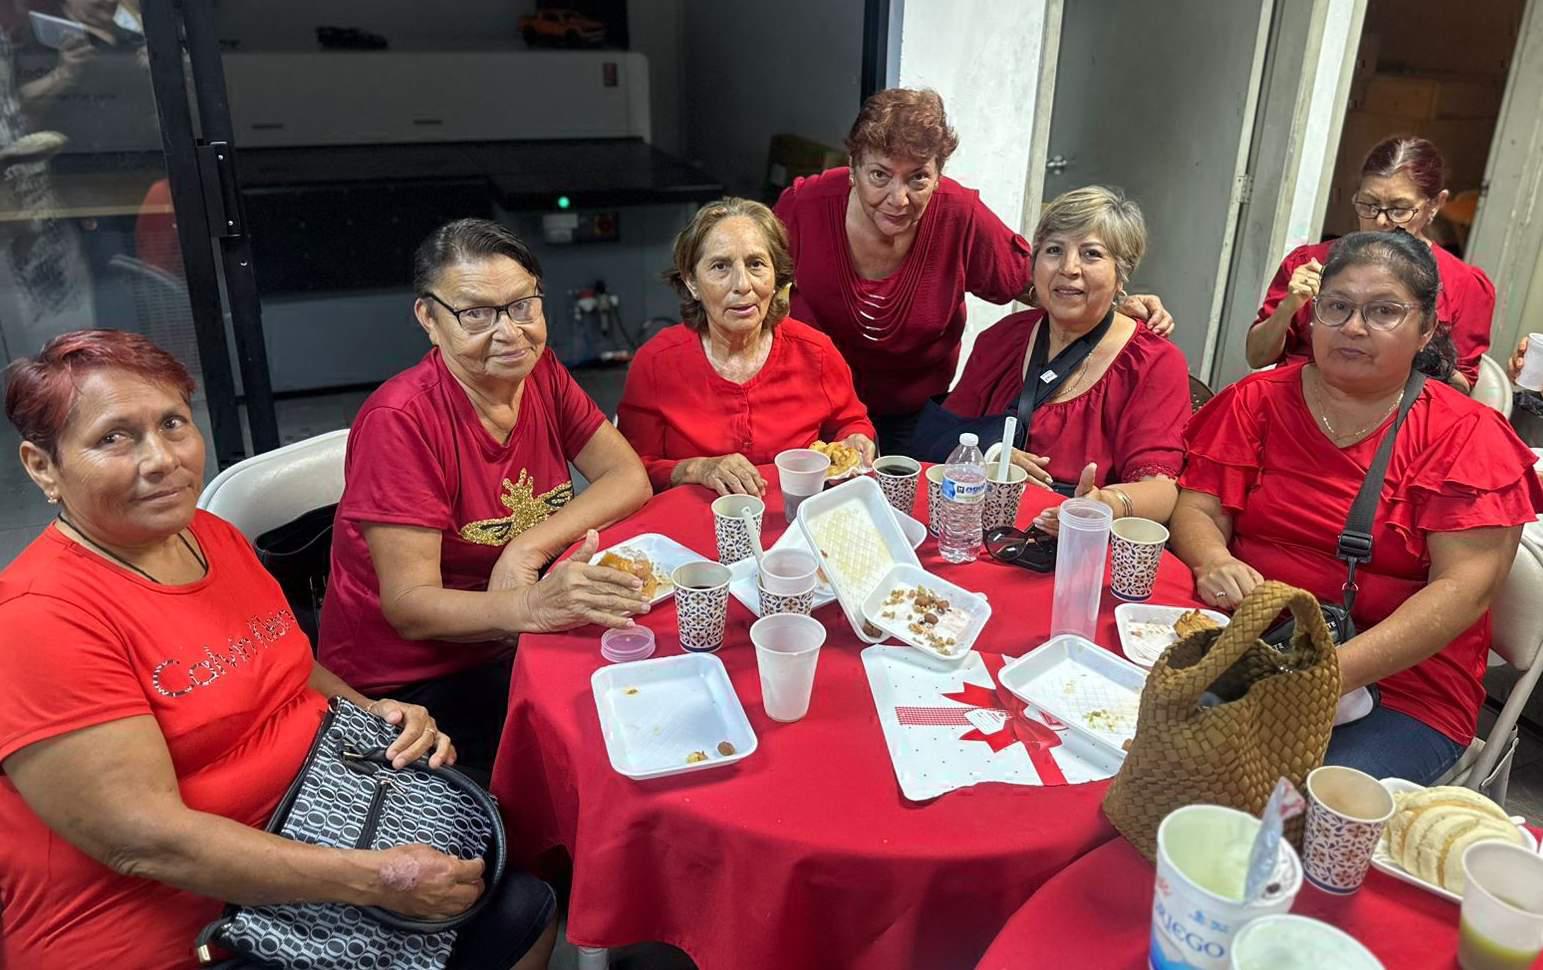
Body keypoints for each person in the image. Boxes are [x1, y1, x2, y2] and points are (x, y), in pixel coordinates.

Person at [0, 330, 557, 970]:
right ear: (43, 465)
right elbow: (145, 842)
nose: (161, 459)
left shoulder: (207, 536)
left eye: (173, 423)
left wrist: (377, 712)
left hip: (323, 817)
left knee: (523, 898)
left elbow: (288, 664)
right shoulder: (39, 619)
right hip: (180, 919)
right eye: (113, 438)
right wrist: (377, 878)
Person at [1174, 231, 1543, 783]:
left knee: (1278, 803)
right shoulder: (1256, 401)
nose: (1352, 326)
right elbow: (1198, 509)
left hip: (1402, 688)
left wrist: (1323, 676)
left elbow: (1463, 592)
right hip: (1253, 643)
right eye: (1337, 306)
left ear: (1425, 330)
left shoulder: (1468, 437)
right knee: (1153, 743)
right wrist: (1211, 559)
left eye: (1383, 311)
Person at [318, 218, 652, 773]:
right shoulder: (401, 422)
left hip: (510, 638)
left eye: (523, 305)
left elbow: (627, 476)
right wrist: (529, 608)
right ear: (429, 319)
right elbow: (409, 607)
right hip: (413, 685)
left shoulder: (539, 372)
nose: (510, 332)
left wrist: (525, 550)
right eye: (476, 314)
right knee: (594, 758)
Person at [773, 87, 1172, 453]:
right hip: (814, 407)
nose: (898, 199)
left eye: (918, 178)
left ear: (938, 175)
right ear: (853, 167)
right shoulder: (806, 206)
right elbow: (754, 283)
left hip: (913, 417)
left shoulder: (958, 215)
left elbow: (1035, 281)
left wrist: (1107, 305)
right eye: (879, 175)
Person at [926, 185, 1191, 531]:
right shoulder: (1002, 339)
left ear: (1121, 273)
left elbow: (1161, 489)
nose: (1069, 268)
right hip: (978, 529)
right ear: (1035, 264)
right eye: (1054, 250)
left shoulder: (1153, 362)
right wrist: (991, 454)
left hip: (1075, 540)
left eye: (1091, 254)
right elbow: (940, 436)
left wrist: (1104, 504)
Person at [617, 197, 877, 495]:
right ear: (691, 282)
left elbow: (852, 422)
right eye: (720, 266)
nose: (742, 284)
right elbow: (632, 470)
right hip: (693, 525)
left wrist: (856, 438)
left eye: (756, 264)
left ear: (775, 276)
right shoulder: (655, 363)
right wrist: (696, 468)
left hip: (796, 520)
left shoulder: (816, 352)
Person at [1247, 135, 1494, 391]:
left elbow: (1462, 388)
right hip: (1295, 402)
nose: (1381, 221)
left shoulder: (1464, 284)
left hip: (1398, 419)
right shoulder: (1310, 262)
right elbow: (1257, 356)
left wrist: (1412, 345)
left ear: (1435, 204)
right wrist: (1288, 307)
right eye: (1369, 204)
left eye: (1399, 209)